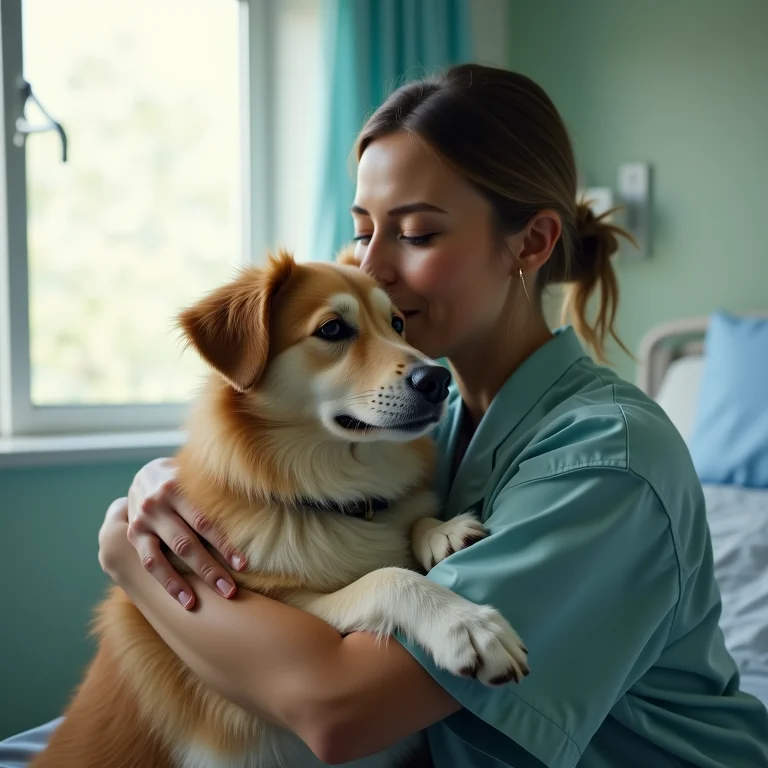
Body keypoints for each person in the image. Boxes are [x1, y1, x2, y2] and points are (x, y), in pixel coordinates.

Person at [3, 63, 768, 768]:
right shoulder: (428, 423)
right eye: (364, 230)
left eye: (417, 233)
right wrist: (157, 496)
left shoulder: (605, 460)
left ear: (530, 243)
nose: (370, 269)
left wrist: (129, 559)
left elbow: (337, 711)